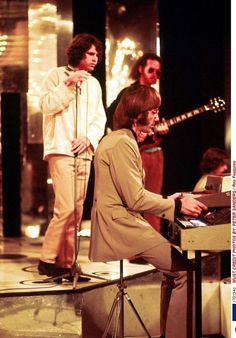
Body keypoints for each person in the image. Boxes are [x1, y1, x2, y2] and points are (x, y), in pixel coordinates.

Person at [89, 85, 208, 338]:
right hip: (120, 225)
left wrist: (168, 199)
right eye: (153, 112)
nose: (157, 117)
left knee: (174, 273)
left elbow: (132, 192)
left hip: (125, 221)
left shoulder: (124, 139)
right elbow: (135, 198)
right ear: (136, 115)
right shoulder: (121, 143)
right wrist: (176, 206)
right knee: (184, 273)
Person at [37, 33, 106, 279]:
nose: (95, 58)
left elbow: (100, 118)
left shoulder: (94, 84)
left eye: (97, 54)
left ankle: (67, 263)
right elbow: (45, 105)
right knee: (65, 207)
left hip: (84, 152)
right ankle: (47, 258)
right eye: (90, 54)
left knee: (76, 211)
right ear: (78, 53)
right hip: (61, 150)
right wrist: (68, 84)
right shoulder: (56, 76)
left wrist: (89, 138)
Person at [106, 53, 168, 232]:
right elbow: (112, 116)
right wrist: (129, 134)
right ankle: (134, 247)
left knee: (154, 200)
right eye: (151, 70)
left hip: (154, 152)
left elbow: (157, 127)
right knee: (132, 200)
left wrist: (160, 131)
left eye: (158, 72)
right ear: (141, 68)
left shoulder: (156, 95)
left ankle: (152, 243)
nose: (154, 75)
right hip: (135, 151)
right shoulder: (129, 93)